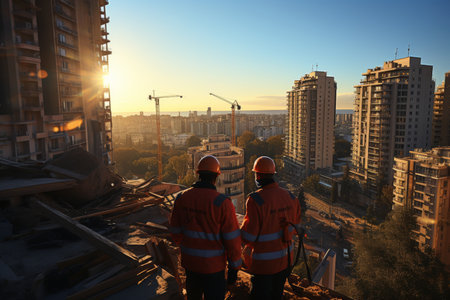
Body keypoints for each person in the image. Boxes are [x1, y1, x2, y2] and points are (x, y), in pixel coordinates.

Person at [169, 155, 242, 300]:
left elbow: (175, 232)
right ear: (216, 176)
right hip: (213, 268)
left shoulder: (182, 198)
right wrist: (234, 269)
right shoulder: (222, 203)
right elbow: (232, 241)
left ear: (198, 175)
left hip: (191, 264)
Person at [241, 156, 301, 300]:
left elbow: (248, 237)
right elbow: (296, 227)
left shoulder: (256, 200)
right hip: (285, 261)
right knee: (276, 295)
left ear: (258, 175)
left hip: (264, 265)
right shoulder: (291, 197)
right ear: (273, 174)